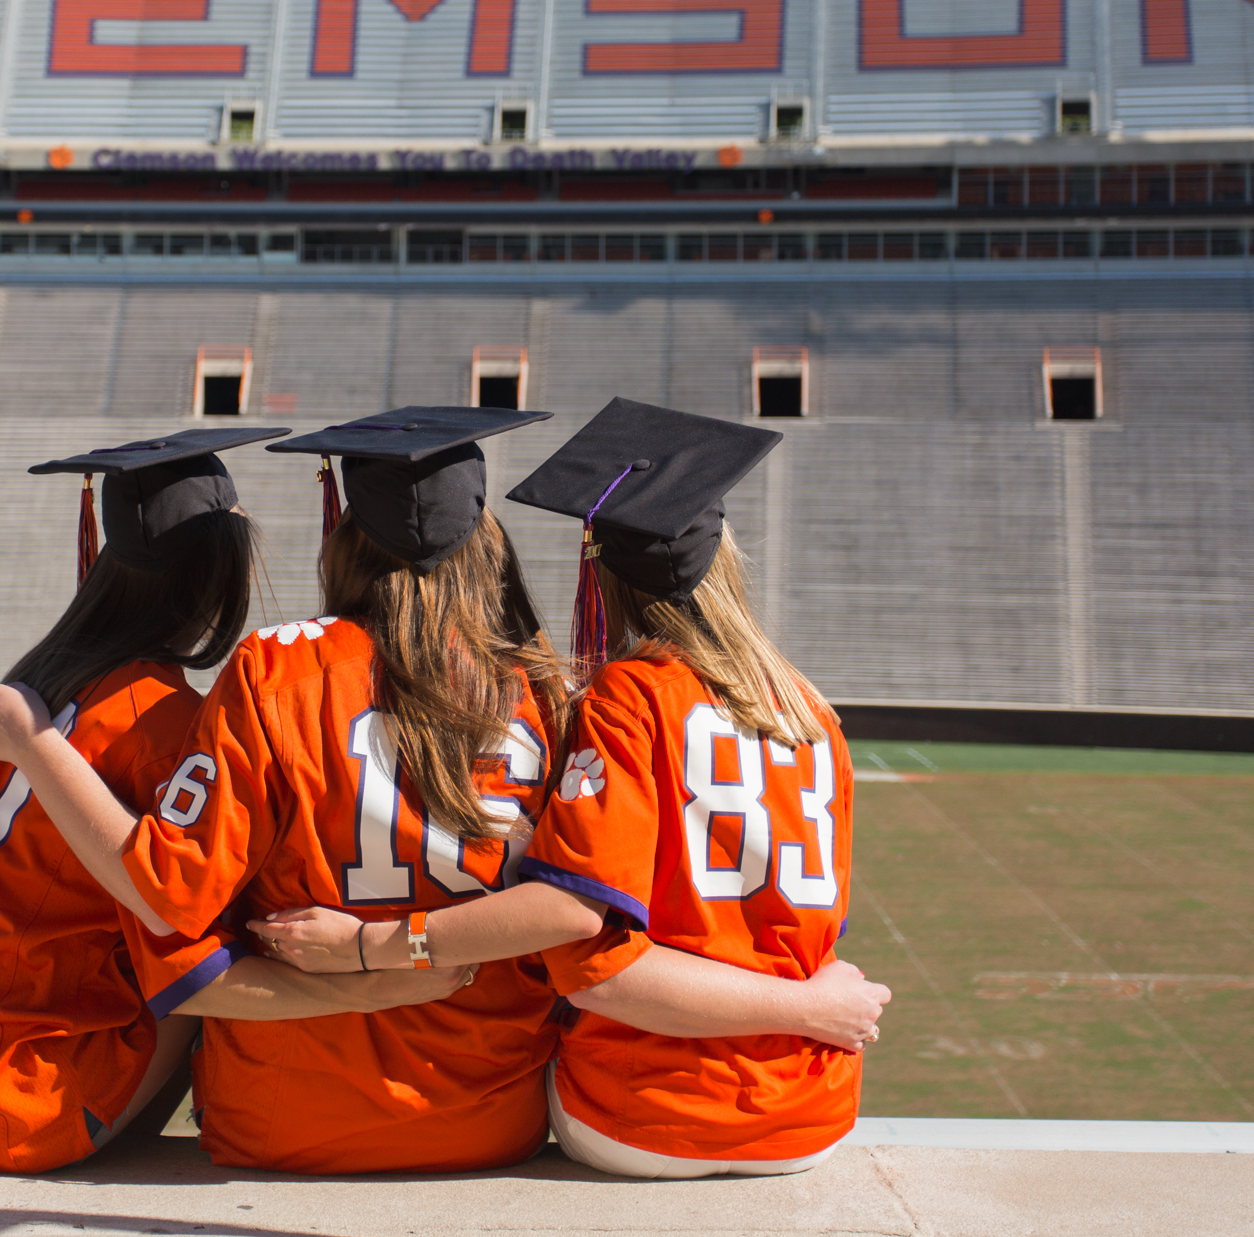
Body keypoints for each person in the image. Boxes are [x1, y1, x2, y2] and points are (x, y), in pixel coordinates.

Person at [253, 398, 891, 1179]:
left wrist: (368, 946)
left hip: (646, 1111)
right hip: (812, 1111)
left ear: (606, 578)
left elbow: (601, 969)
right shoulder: (812, 712)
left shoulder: (628, 698)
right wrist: (808, 1007)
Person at [0, 405, 573, 1174]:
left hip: (286, 1117)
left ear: (346, 531)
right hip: (492, 1114)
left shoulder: (274, 669)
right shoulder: (543, 690)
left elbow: (171, 887)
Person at [0, 427, 468, 1175]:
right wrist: (383, 977)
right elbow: (201, 957)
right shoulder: (158, 723)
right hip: (10, 1097)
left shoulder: (34, 683)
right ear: (220, 573)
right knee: (238, 938)